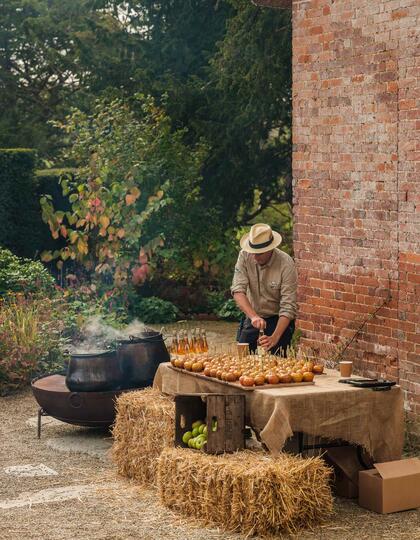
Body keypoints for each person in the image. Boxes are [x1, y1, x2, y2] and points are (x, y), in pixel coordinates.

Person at [231, 223, 297, 355]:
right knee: (242, 361)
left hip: (277, 320)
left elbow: (288, 307)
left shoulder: (286, 263)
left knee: (277, 369)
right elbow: (238, 290)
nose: (254, 258)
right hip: (253, 317)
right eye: (252, 252)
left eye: (259, 253)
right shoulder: (244, 255)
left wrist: (275, 337)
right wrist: (253, 317)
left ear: (270, 249)